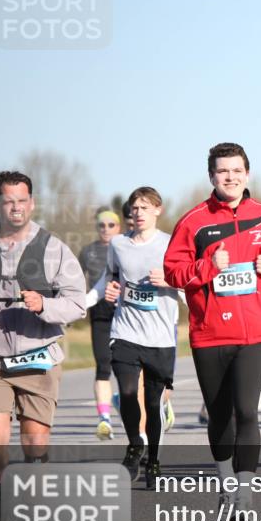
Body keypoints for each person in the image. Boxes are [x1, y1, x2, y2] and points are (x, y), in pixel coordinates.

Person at [164, 142, 261, 519]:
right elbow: (174, 272)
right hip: (209, 333)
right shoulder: (193, 221)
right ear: (212, 176)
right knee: (221, 415)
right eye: (223, 171)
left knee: (247, 411)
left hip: (257, 330)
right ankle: (225, 485)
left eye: (237, 171)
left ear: (247, 174)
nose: (231, 177)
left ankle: (245, 496)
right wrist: (208, 265)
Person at [0, 171, 87, 521]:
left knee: (35, 440)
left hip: (37, 352)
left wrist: (44, 306)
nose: (15, 207)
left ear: (32, 202)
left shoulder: (53, 248)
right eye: (8, 201)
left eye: (22, 200)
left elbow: (77, 303)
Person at [89, 187, 179, 488]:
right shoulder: (118, 244)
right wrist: (96, 296)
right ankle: (134, 445)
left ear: (158, 210)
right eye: (134, 207)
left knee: (153, 405)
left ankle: (153, 459)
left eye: (144, 207)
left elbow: (187, 286)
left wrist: (169, 282)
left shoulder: (171, 245)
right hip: (125, 331)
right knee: (127, 393)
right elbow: (110, 278)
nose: (138, 212)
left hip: (160, 337)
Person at [78, 209, 121, 440]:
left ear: (119, 227)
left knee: (127, 367)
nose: (106, 229)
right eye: (101, 225)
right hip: (100, 313)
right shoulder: (88, 251)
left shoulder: (125, 247)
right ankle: (104, 419)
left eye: (111, 225)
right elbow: (74, 280)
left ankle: (122, 400)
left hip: (126, 313)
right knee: (103, 366)